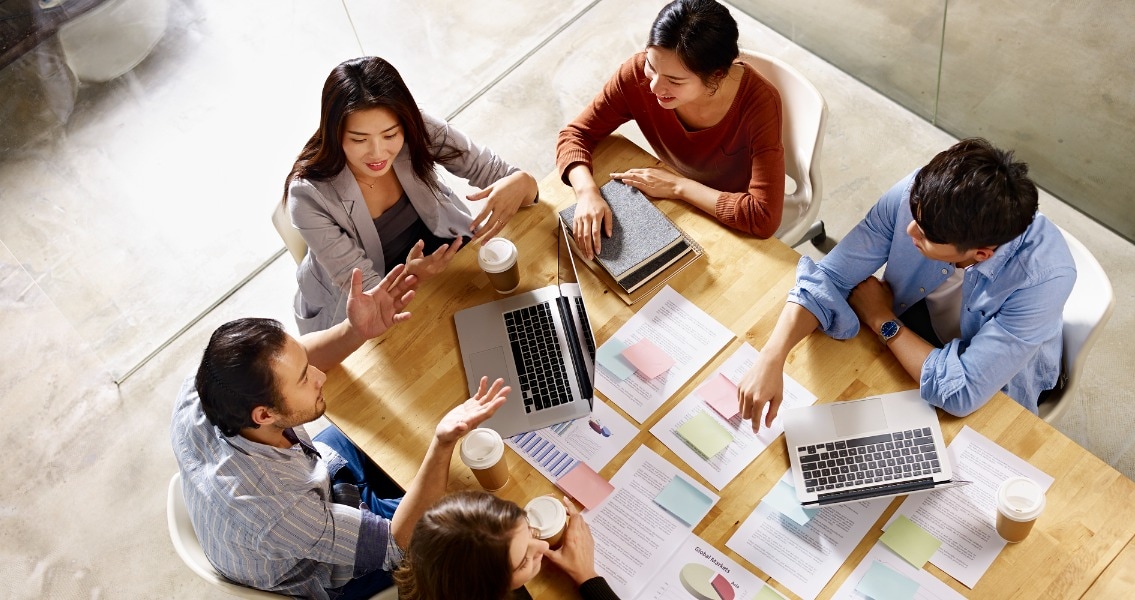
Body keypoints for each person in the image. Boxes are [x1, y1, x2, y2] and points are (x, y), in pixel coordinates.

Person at [170, 264, 512, 599]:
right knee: (471, 522)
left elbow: (300, 360)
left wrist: (355, 330)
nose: (320, 376)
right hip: (321, 567)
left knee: (395, 437)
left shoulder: (205, 387)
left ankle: (385, 496)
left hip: (304, 487)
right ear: (264, 414)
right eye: (305, 378)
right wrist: (443, 442)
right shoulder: (276, 512)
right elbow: (397, 543)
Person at [738, 138, 1077, 431]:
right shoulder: (920, 196)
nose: (909, 231)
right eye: (914, 216)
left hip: (995, 383)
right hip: (918, 324)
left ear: (981, 253)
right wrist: (772, 356)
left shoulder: (1042, 279)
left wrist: (881, 319)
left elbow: (961, 393)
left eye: (926, 236)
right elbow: (830, 278)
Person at [286, 55, 540, 334]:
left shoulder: (415, 127)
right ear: (334, 134)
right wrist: (411, 276)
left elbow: (496, 171)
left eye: (390, 135)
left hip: (437, 256)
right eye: (359, 139)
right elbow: (367, 293)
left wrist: (522, 181)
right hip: (366, 299)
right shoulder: (307, 195)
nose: (377, 153)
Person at [556, 0, 785, 259]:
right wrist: (586, 192)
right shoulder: (635, 75)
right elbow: (575, 134)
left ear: (717, 76)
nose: (653, 86)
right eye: (651, 67)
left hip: (722, 210)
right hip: (668, 199)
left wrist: (678, 187)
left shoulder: (760, 103)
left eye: (674, 81)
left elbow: (763, 217)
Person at [394, 492, 618, 600]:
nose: (542, 546)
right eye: (523, 562)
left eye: (528, 527)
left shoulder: (427, 564)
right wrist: (588, 577)